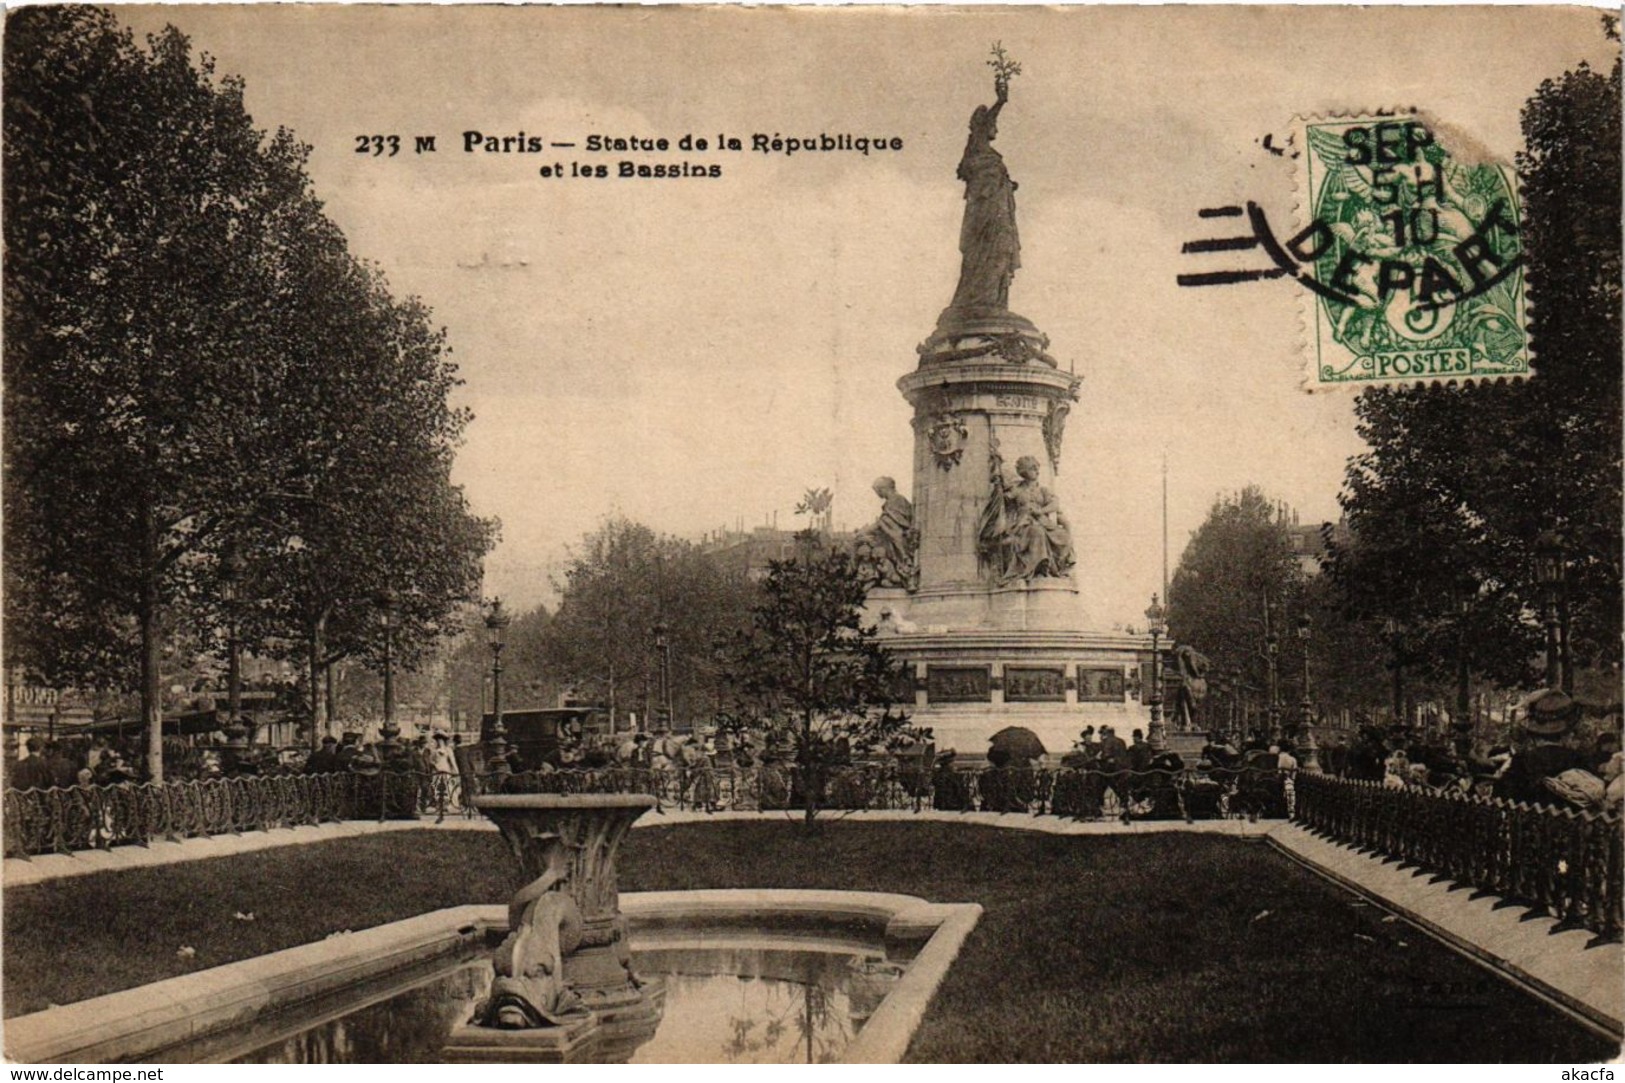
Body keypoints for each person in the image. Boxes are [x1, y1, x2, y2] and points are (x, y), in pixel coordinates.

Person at [946, 67, 1020, 316]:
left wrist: (1008, 186)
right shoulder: (977, 147)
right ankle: (979, 300)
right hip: (984, 218)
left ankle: (994, 301)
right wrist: (1000, 101)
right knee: (985, 256)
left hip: (999, 217)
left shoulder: (988, 156)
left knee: (999, 254)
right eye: (993, 125)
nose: (996, 130)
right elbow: (983, 125)